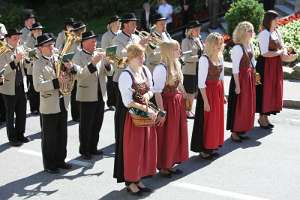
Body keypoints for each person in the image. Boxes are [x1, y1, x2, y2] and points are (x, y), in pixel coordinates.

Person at [113, 12, 147, 183]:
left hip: (138, 81)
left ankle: (138, 175)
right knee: (127, 137)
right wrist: (138, 45)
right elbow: (121, 58)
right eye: (132, 23)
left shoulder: (135, 36)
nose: (135, 25)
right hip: (124, 83)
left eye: (135, 22)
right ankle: (128, 176)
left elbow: (142, 60)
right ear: (125, 24)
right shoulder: (118, 38)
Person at [118, 44, 157, 195]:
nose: (142, 58)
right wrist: (146, 109)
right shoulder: (125, 76)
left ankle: (138, 178)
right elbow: (127, 102)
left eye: (143, 56)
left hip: (146, 115)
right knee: (134, 150)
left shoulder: (145, 70)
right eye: (139, 56)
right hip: (134, 117)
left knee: (144, 148)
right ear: (131, 58)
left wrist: (147, 96)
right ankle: (130, 182)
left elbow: (152, 89)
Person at [33, 33, 73, 174]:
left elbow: (66, 75)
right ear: (40, 48)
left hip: (62, 101)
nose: (52, 47)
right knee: (50, 137)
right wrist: (56, 82)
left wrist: (69, 70)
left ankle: (60, 160)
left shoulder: (57, 59)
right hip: (49, 104)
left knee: (62, 134)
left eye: (52, 44)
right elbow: (37, 86)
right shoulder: (37, 64)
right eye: (48, 45)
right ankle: (50, 164)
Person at [153, 40, 188, 177]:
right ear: (168, 51)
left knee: (175, 134)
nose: (179, 51)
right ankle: (163, 165)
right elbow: (157, 92)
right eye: (176, 49)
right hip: (167, 104)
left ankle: (171, 162)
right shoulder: (161, 68)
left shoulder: (175, 64)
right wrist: (162, 111)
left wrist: (184, 93)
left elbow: (178, 83)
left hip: (176, 103)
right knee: (167, 135)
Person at [72, 31, 110, 160]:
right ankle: (84, 150)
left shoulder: (98, 53)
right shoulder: (78, 56)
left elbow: (109, 73)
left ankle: (93, 147)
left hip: (100, 94)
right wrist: (93, 63)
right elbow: (80, 75)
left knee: (97, 123)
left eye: (95, 41)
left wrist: (107, 63)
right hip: (86, 94)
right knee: (86, 124)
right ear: (84, 43)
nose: (95, 43)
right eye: (92, 41)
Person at [190, 32, 226, 160]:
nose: (220, 45)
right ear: (211, 44)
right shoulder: (204, 59)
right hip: (207, 92)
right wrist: (205, 101)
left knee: (216, 120)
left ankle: (213, 145)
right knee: (207, 121)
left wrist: (223, 94)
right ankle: (205, 148)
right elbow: (201, 84)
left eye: (221, 43)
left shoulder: (220, 56)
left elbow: (221, 78)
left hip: (217, 90)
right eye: (217, 43)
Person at [226, 21, 257, 142]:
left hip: (248, 78)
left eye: (252, 30)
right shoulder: (237, 48)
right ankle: (234, 131)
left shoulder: (249, 45)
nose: (252, 33)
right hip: (240, 79)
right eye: (250, 30)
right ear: (243, 33)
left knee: (246, 105)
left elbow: (253, 63)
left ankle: (242, 129)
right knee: (238, 105)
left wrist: (256, 78)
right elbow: (235, 70)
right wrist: (238, 86)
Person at [256, 10, 287, 129]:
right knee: (265, 90)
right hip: (265, 65)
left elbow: (282, 46)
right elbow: (264, 53)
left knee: (273, 90)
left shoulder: (276, 32)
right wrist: (279, 52)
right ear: (270, 20)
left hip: (275, 65)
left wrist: (285, 50)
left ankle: (266, 117)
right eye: (275, 19)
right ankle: (261, 117)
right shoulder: (264, 34)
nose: (277, 21)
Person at [0, 29, 29, 147]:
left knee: (22, 112)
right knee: (10, 113)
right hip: (8, 87)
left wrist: (28, 60)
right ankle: (12, 138)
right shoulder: (2, 51)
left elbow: (25, 66)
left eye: (18, 38)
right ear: (7, 39)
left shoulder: (20, 48)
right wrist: (14, 61)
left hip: (21, 85)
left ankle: (20, 134)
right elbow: (2, 71)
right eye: (14, 39)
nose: (17, 41)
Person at [181, 20, 204, 118]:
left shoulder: (198, 39)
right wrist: (199, 57)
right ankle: (187, 111)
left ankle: (189, 109)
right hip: (189, 70)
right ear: (190, 30)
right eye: (196, 29)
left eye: (199, 29)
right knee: (189, 92)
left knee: (194, 92)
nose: (198, 31)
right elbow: (186, 58)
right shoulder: (185, 41)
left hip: (198, 69)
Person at [101, 15, 121, 110]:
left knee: (119, 82)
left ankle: (119, 101)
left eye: (120, 23)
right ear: (112, 24)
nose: (119, 25)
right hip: (110, 62)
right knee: (111, 83)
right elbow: (105, 51)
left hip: (120, 62)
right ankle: (111, 103)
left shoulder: (121, 33)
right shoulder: (106, 36)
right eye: (117, 23)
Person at [24, 22, 44, 115]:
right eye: (37, 30)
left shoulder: (43, 39)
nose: (39, 32)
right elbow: (28, 54)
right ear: (32, 32)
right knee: (33, 89)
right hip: (31, 68)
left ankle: (40, 107)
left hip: (42, 67)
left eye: (40, 30)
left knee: (41, 87)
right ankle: (33, 108)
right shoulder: (29, 41)